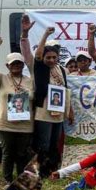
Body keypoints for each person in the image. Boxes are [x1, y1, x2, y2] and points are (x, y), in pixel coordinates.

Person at [0, 34, 34, 183]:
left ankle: (20, 180)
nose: (16, 66)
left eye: (19, 63)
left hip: (25, 126)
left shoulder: (30, 81)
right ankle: (7, 180)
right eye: (13, 64)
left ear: (23, 65)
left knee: (22, 155)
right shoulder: (2, 79)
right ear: (8, 66)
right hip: (6, 125)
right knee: (8, 154)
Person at [33, 27, 73, 174]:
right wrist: (45, 34)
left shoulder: (61, 70)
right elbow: (38, 54)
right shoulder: (40, 67)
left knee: (54, 143)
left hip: (59, 110)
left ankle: (52, 169)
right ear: (43, 58)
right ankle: (40, 172)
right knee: (43, 143)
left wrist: (70, 111)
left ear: (57, 57)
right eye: (48, 57)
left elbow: (66, 90)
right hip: (44, 111)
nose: (51, 60)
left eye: (53, 57)